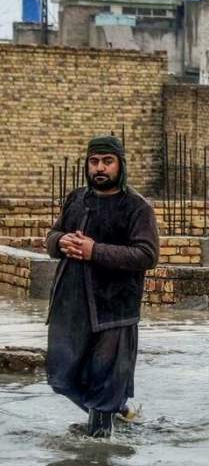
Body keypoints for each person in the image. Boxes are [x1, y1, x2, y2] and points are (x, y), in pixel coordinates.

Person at [45, 136, 159, 438]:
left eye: (107, 162)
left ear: (120, 165)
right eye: (94, 161)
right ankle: (119, 411)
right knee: (60, 377)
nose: (100, 168)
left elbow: (146, 255)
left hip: (114, 309)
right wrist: (60, 241)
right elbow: (54, 234)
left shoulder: (136, 207)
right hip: (71, 305)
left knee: (104, 381)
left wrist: (95, 251)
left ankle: (99, 460)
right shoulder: (76, 199)